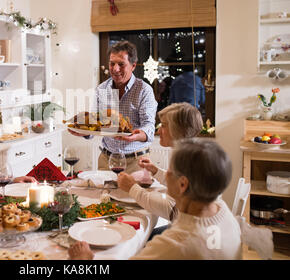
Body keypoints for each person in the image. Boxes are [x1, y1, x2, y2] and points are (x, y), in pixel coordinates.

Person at [69, 138, 242, 260]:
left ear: (183, 185)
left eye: (169, 171)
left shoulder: (176, 244)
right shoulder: (224, 212)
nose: (165, 174)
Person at [69, 41, 157, 173]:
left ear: (133, 66)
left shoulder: (144, 90)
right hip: (107, 160)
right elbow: (96, 123)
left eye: (121, 64)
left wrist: (136, 135)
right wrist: (84, 132)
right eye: (112, 64)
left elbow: (149, 126)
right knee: (105, 195)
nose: (115, 69)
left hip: (137, 162)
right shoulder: (102, 89)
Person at [117, 102, 203, 238]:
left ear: (177, 130)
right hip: (187, 228)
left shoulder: (185, 161)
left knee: (131, 237)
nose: (158, 131)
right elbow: (178, 189)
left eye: (163, 125)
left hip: (187, 237)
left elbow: (170, 210)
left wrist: (132, 188)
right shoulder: (188, 152)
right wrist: (156, 171)